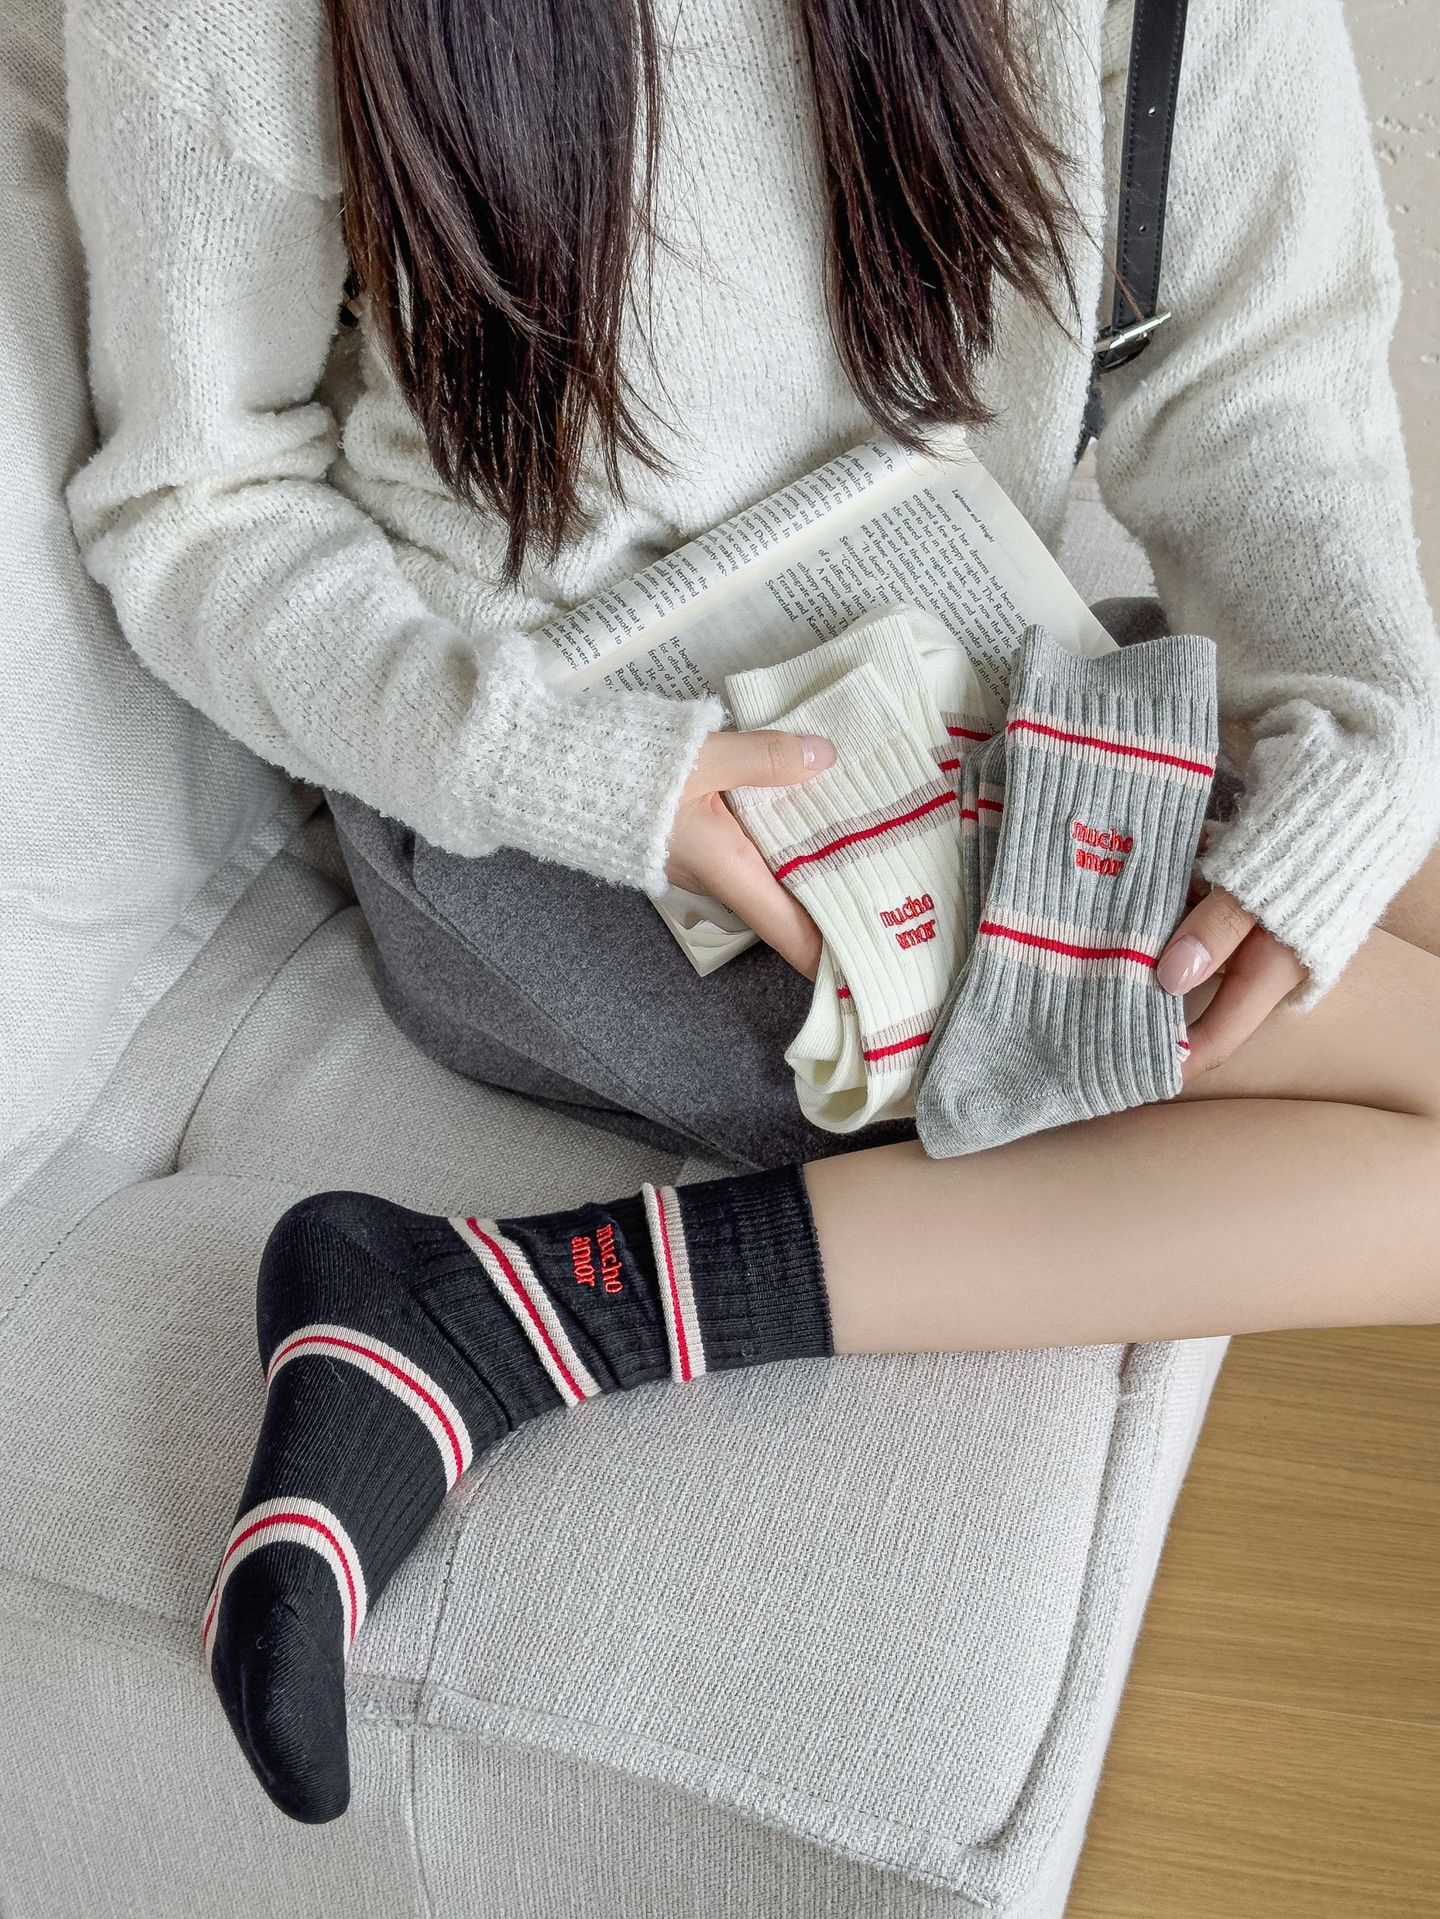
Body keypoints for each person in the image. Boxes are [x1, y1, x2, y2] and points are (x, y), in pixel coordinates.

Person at [65, 0, 1440, 1822]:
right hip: (581, 803)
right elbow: (197, 505)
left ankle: (468, 1320)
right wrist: (582, 772)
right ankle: (518, 1319)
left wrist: (1356, 742)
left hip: (974, 660)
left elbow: (1249, 379)